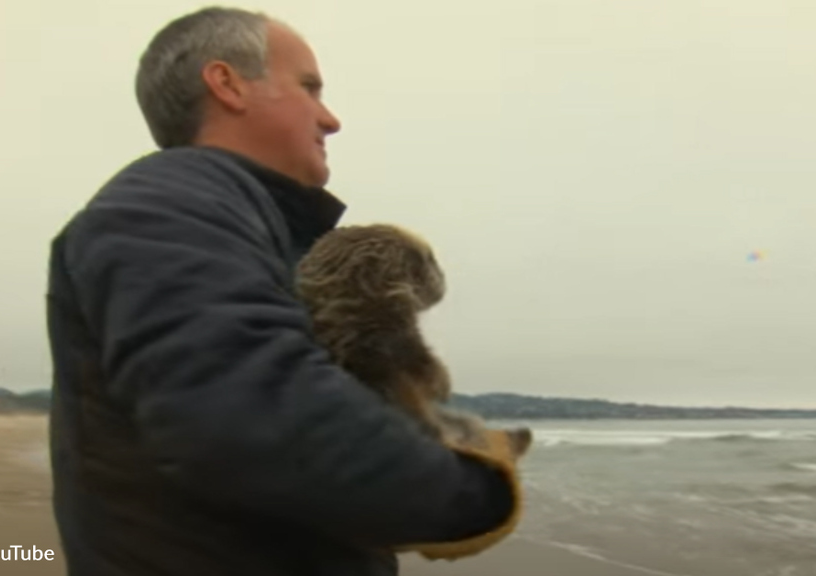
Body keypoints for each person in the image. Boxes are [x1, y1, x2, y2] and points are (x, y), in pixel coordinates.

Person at [45, 7, 517, 576]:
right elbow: (246, 416)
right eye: (309, 88)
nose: (331, 118)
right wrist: (471, 490)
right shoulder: (167, 203)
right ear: (228, 84)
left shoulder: (238, 218)